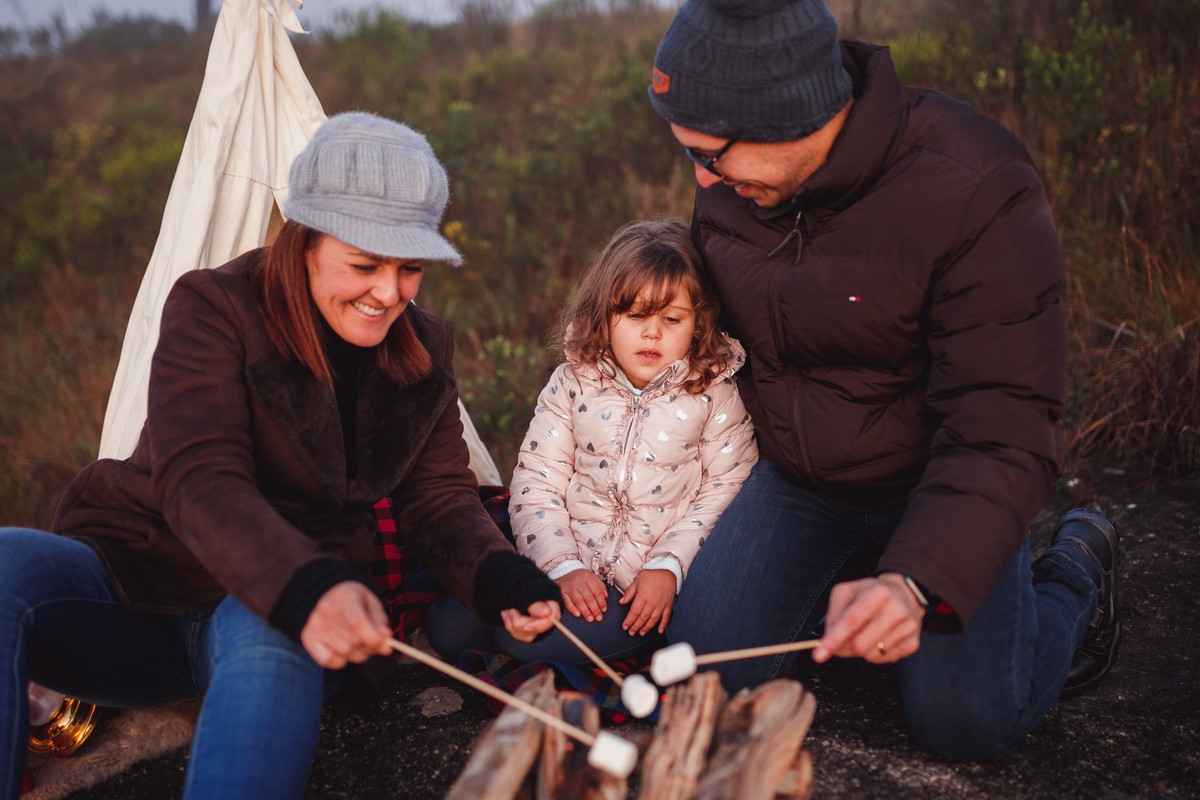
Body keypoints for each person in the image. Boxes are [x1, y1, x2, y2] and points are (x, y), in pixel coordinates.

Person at [0, 112, 562, 800]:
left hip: (274, 614)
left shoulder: (422, 347)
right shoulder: (214, 306)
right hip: (138, 581)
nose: (388, 293)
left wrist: (501, 577)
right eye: (364, 264)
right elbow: (199, 476)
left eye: (409, 267)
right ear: (303, 242)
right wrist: (309, 587)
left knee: (269, 647)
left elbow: (440, 497)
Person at [645, 0, 1121, 761]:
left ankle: (1072, 571)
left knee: (966, 726)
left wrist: (915, 580)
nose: (700, 177)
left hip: (933, 481)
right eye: (690, 155)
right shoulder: (734, 186)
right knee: (698, 690)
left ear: (788, 116)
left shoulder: (976, 183)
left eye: (710, 153)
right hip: (797, 481)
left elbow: (1008, 418)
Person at [425, 219, 758, 667]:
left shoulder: (713, 391)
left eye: (672, 319)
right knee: (446, 627)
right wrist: (561, 566)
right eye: (636, 316)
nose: (653, 333)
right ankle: (517, 631)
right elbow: (537, 481)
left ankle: (534, 647)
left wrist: (668, 567)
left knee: (540, 643)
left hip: (637, 593)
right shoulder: (574, 382)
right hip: (566, 558)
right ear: (604, 315)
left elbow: (726, 490)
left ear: (699, 323)